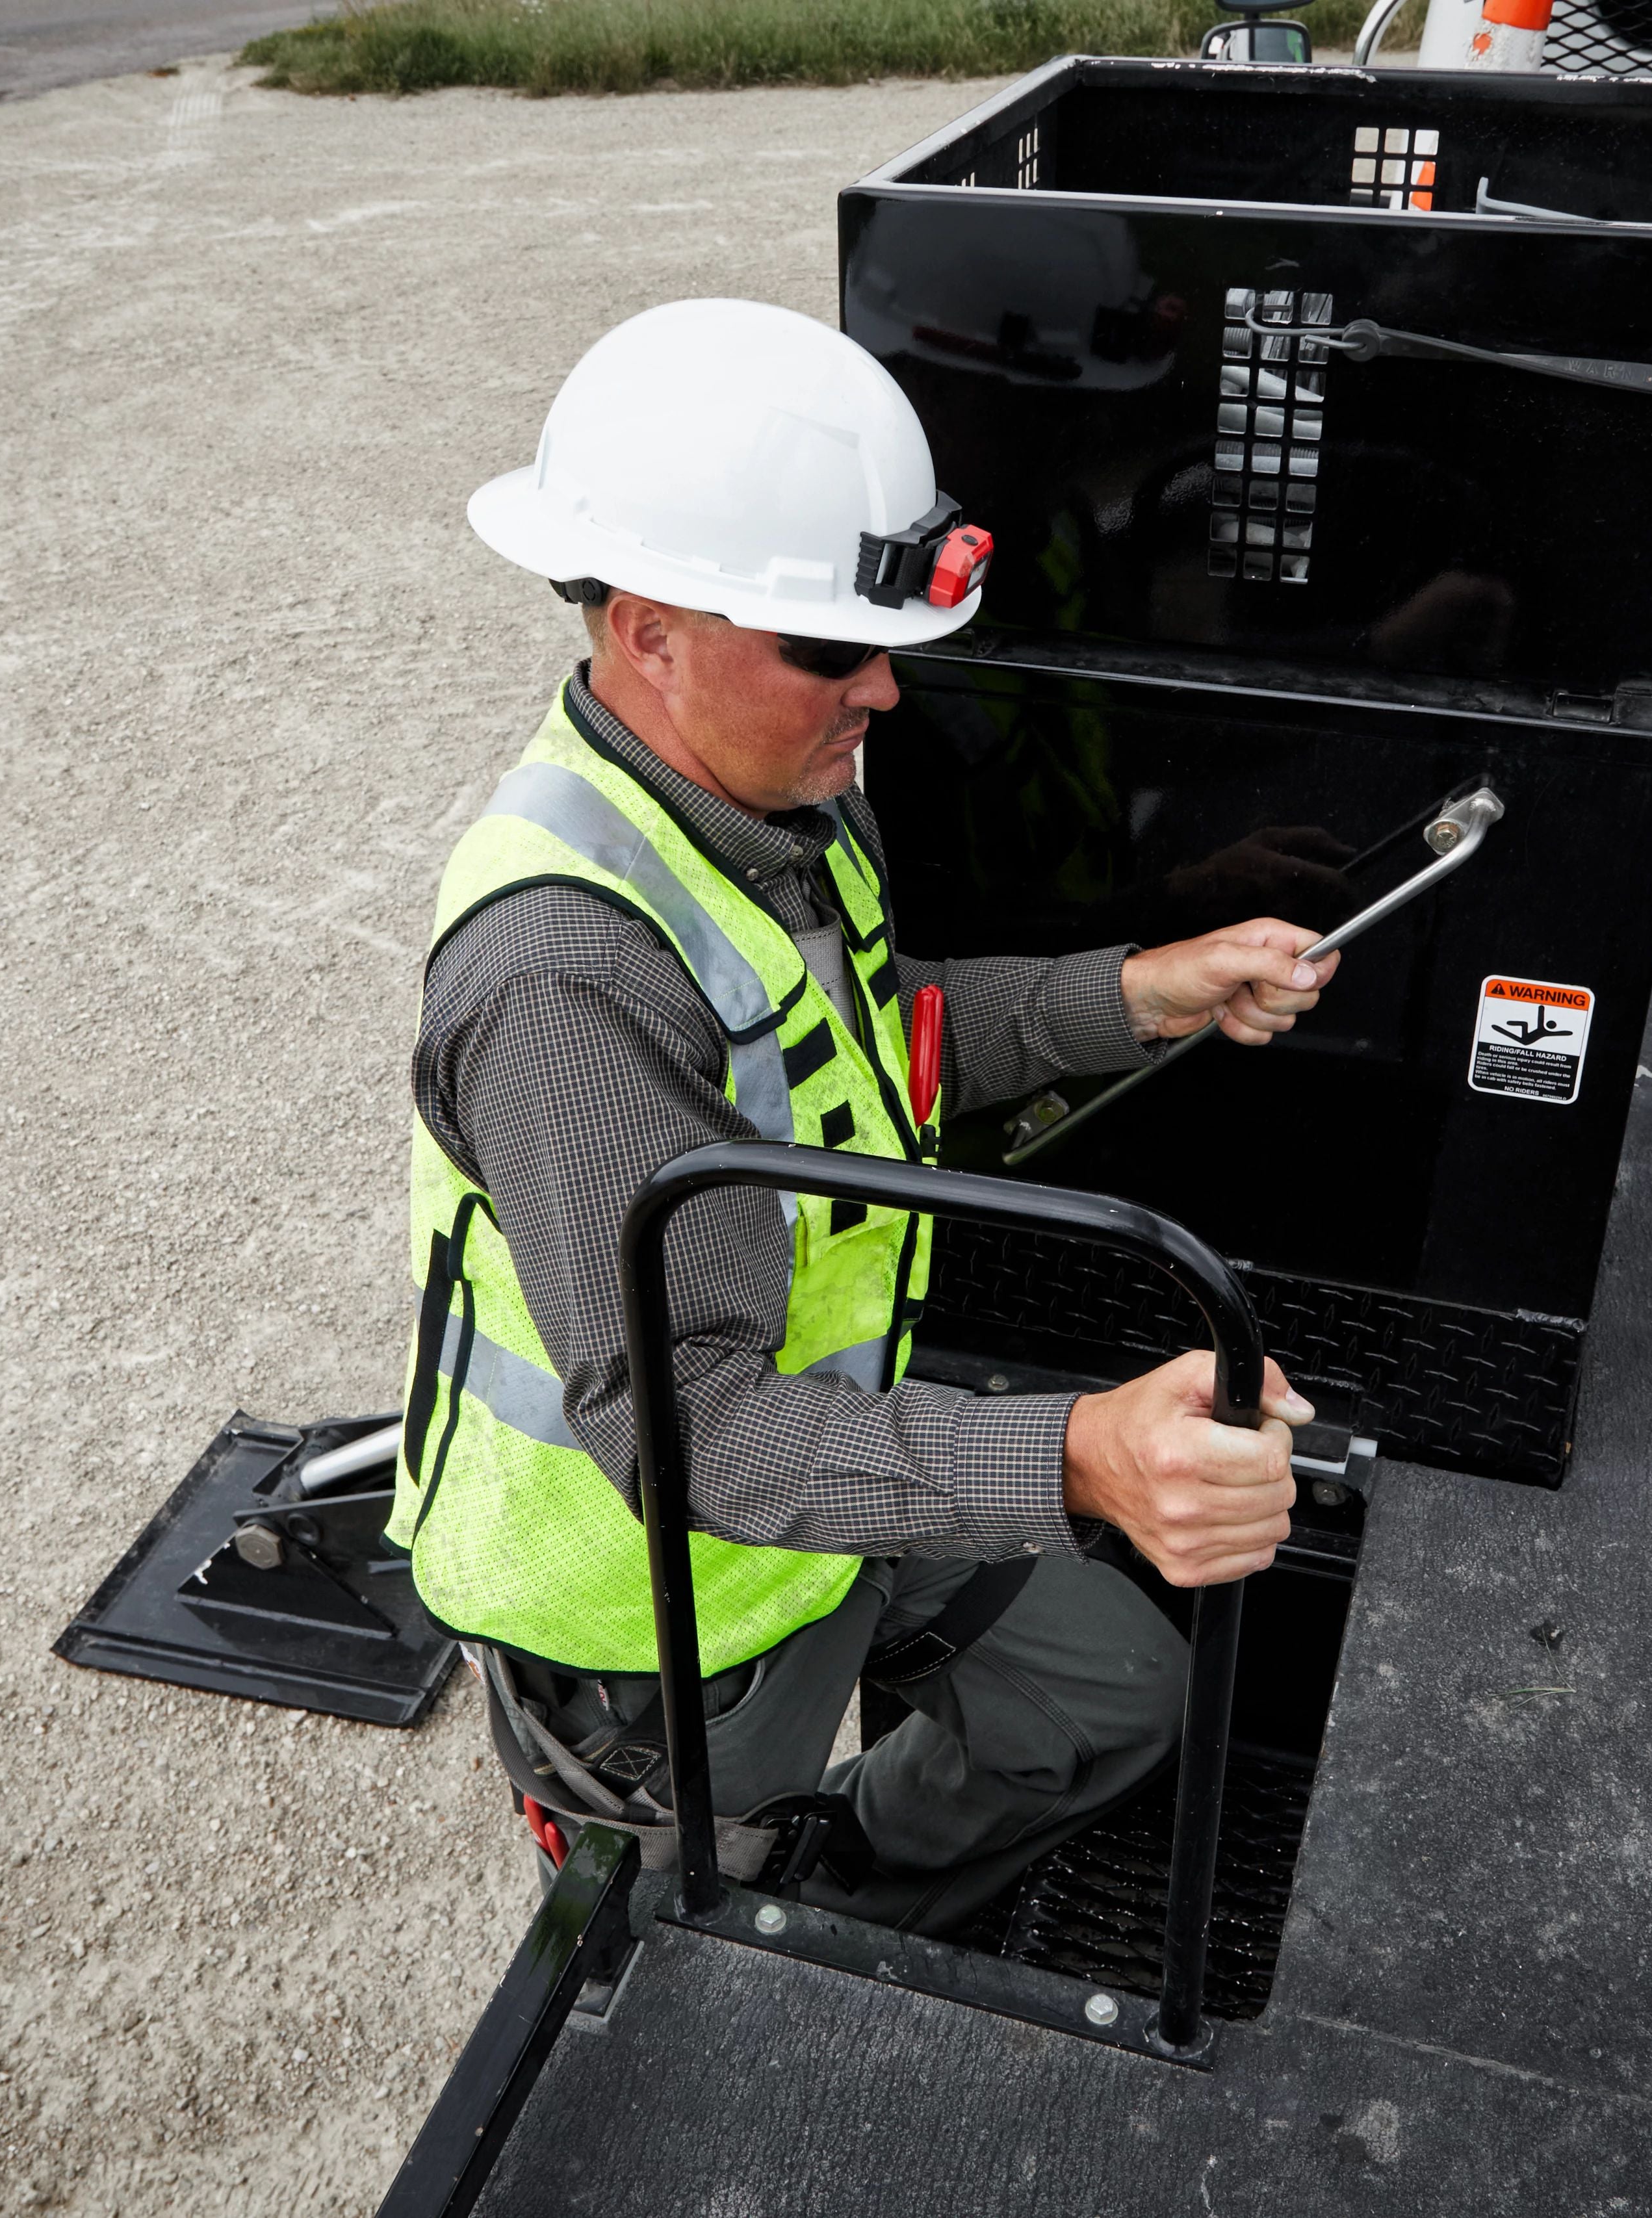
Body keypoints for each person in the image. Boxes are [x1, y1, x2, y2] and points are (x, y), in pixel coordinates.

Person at [398, 298, 1336, 1935]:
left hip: (836, 1480)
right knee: (686, 1937)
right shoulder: (565, 972)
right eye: (831, 650)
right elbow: (686, 1430)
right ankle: (739, 1912)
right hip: (653, 1605)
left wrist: (1138, 990)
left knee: (1106, 1702)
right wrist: (1078, 1457)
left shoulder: (785, 810)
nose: (886, 691)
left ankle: (842, 1895)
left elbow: (873, 1046)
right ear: (650, 632)